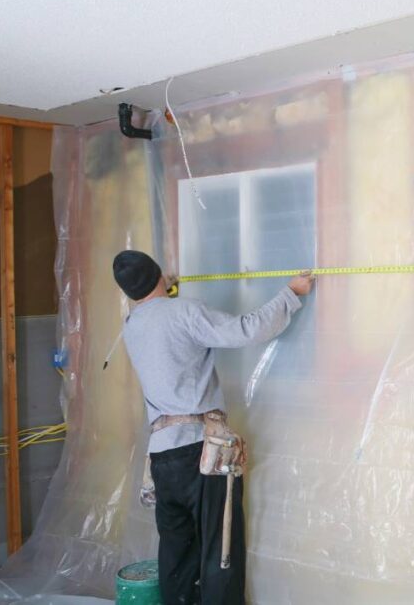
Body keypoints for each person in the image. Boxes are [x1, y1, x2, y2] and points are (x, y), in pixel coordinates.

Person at [112, 250, 313, 605]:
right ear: (159, 275)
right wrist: (291, 294)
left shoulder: (132, 326)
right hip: (202, 453)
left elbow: (156, 316)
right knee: (220, 553)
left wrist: (161, 289)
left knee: (176, 556)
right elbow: (247, 330)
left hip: (162, 458)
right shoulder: (183, 312)